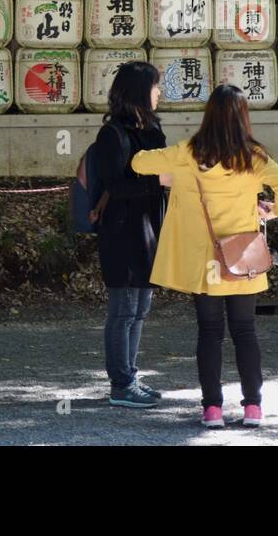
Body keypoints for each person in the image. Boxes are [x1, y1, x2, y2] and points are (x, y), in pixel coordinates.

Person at [131, 84, 278, 429]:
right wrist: (276, 211)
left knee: (209, 333)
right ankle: (253, 408)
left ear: (208, 116)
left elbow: (140, 163)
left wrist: (175, 171)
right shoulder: (253, 156)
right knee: (245, 331)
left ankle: (213, 410)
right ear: (242, 117)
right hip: (244, 258)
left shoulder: (190, 151)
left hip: (205, 260)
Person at [94, 61, 168, 408]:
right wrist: (159, 181)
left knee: (140, 309)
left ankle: (130, 375)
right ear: (140, 91)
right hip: (121, 232)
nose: (159, 93)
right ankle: (120, 384)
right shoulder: (112, 134)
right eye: (155, 86)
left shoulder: (153, 130)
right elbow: (115, 186)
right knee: (123, 310)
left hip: (150, 230)